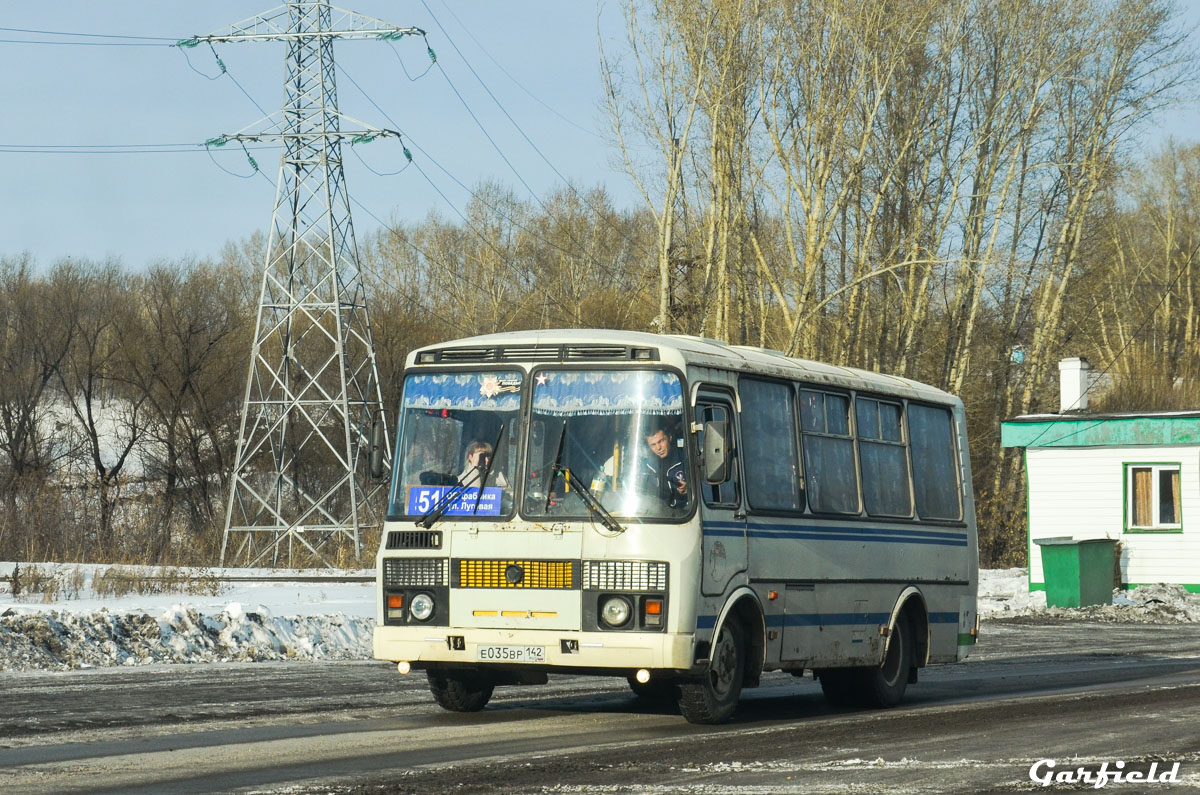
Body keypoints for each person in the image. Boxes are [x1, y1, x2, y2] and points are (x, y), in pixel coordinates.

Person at [641, 426, 688, 507]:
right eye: (653, 445)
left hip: (685, 514)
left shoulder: (686, 459)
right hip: (657, 514)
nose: (658, 448)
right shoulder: (646, 466)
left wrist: (689, 488)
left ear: (670, 438)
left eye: (661, 441)